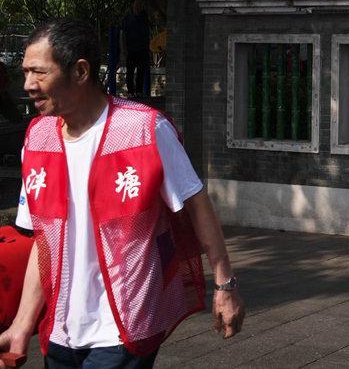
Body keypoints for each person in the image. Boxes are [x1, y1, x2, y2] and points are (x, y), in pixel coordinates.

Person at [0, 18, 244, 367]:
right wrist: (23, 324)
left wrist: (225, 285)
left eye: (38, 73)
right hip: (60, 329)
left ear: (81, 72)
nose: (28, 85)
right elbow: (45, 243)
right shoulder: (38, 140)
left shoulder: (143, 129)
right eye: (25, 73)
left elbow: (196, 203)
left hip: (123, 326)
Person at [120, 0, 152, 98]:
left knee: (141, 71)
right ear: (133, 4)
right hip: (131, 49)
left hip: (142, 48)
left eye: (140, 3)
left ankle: (139, 91)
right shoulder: (127, 18)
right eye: (137, 2)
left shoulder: (144, 16)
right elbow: (123, 34)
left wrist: (148, 47)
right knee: (130, 71)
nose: (139, 5)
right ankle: (130, 92)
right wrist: (123, 50)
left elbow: (147, 32)